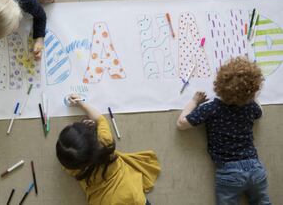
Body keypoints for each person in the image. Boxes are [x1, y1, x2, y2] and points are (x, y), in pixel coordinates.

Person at [176, 57, 271, 205]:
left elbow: (181, 123)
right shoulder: (251, 107)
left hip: (229, 172)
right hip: (255, 168)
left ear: (220, 82)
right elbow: (260, 112)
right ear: (253, 91)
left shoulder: (211, 108)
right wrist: (249, 96)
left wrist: (194, 101)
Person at [56, 94, 161, 205]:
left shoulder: (72, 166)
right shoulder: (105, 141)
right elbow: (100, 119)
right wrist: (81, 104)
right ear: (92, 136)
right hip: (130, 194)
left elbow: (68, 159)